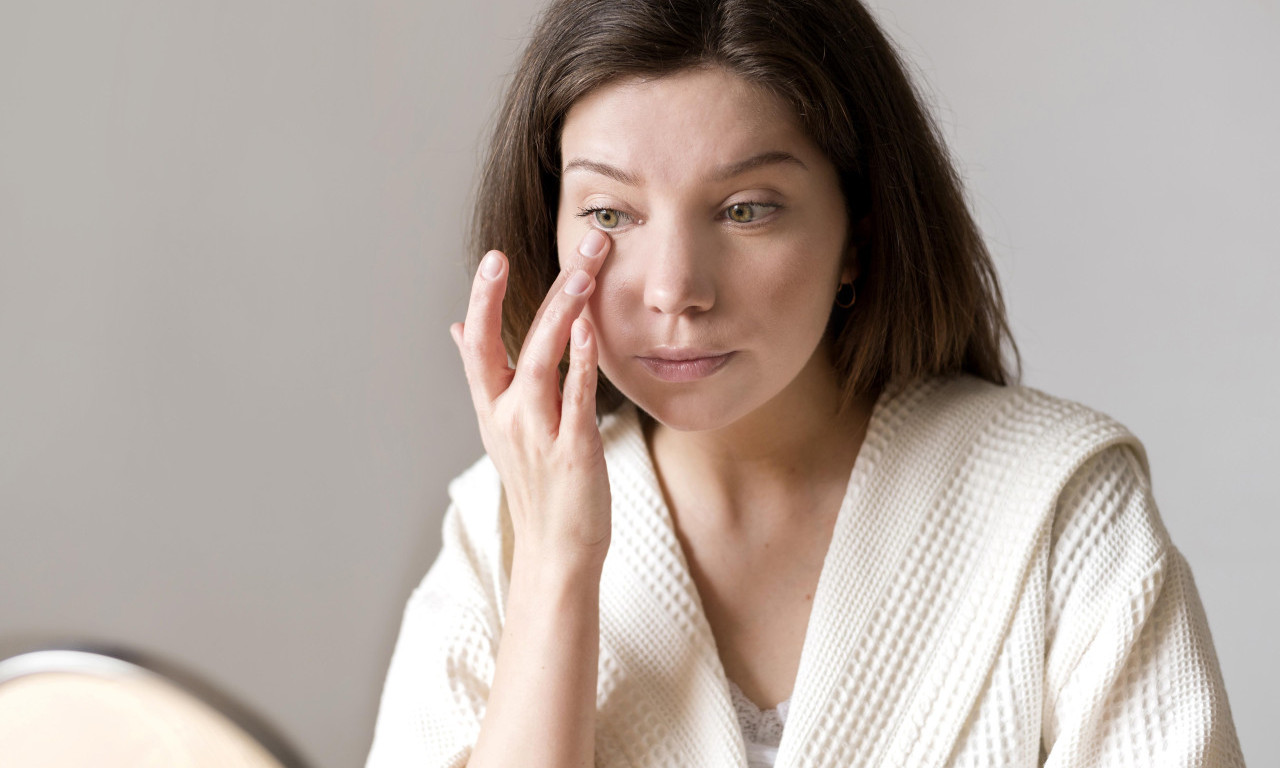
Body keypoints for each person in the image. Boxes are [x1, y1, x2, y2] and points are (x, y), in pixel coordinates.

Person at [365, 0, 1244, 766]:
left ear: (858, 232)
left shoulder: (1060, 508)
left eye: (746, 209)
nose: (674, 289)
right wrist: (557, 566)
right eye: (608, 215)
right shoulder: (496, 532)